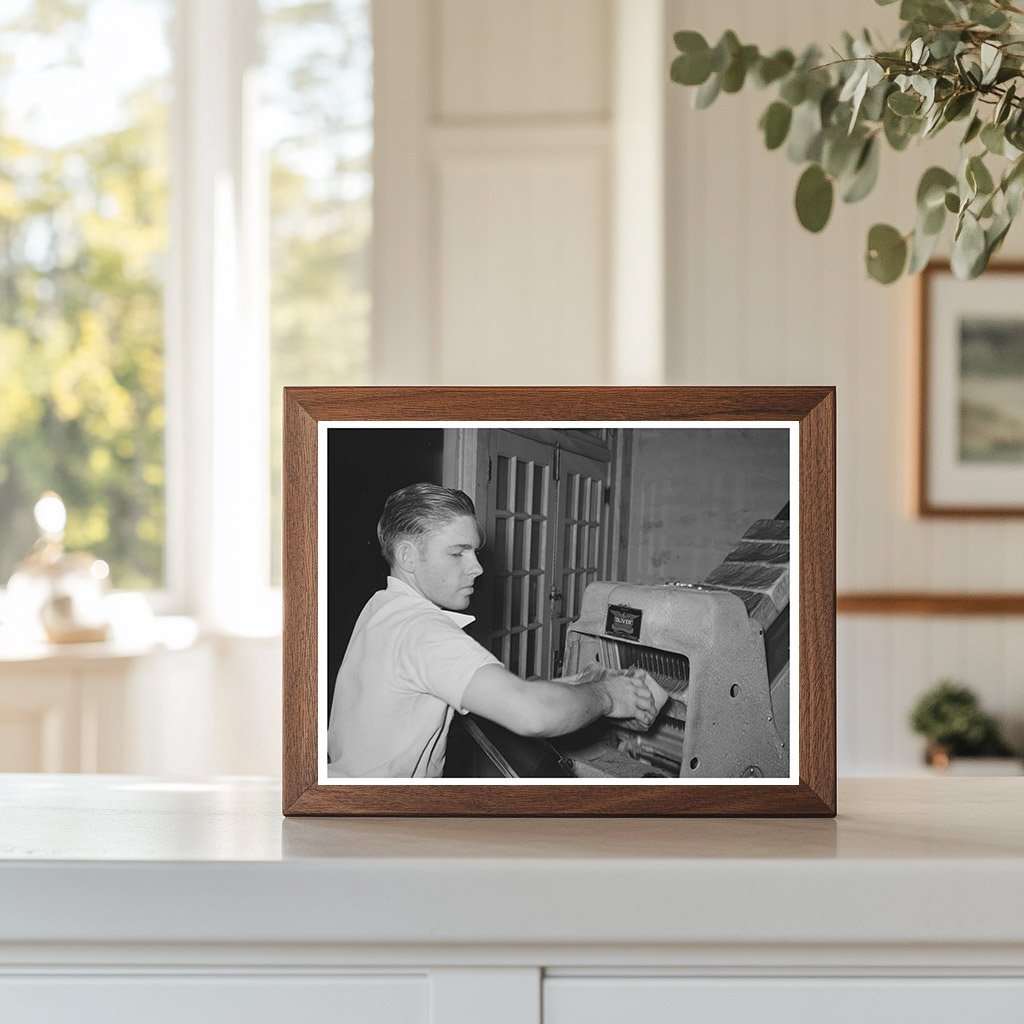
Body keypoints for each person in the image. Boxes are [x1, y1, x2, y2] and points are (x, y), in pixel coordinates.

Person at [327, 483, 661, 778]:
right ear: (408, 557)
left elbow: (474, 694)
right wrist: (608, 695)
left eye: (474, 551)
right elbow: (534, 713)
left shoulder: (382, 607)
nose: (477, 567)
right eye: (457, 553)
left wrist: (577, 684)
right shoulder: (424, 631)